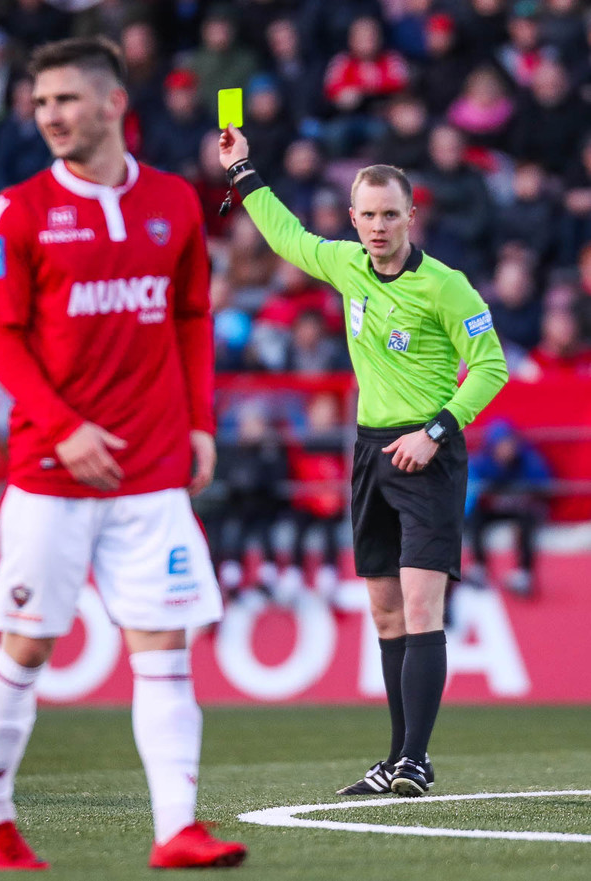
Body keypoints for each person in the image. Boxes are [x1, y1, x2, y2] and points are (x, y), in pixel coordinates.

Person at [0, 37, 247, 871]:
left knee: (165, 648)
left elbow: (191, 316)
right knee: (27, 648)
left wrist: (200, 422)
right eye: (40, 102)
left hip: (153, 472)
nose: (49, 115)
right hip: (51, 476)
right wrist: (65, 427)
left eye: (65, 99)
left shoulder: (175, 200)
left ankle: (177, 829)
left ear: (113, 103)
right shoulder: (15, 211)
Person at [218, 125, 508, 797]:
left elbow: (491, 367)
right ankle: (396, 757)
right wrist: (241, 171)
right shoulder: (347, 265)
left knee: (421, 605)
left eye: (390, 215)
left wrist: (437, 430)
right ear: (353, 218)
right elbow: (286, 236)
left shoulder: (447, 287)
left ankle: (415, 760)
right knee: (385, 612)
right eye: (368, 215)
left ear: (411, 216)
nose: (379, 227)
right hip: (371, 452)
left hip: (428, 454)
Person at [463, 418, 550, 597]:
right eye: (501, 444)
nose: (506, 449)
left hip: (520, 509)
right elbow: (471, 491)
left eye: (509, 443)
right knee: (475, 518)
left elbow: (543, 486)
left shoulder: (530, 461)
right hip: (492, 510)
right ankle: (479, 567)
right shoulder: (481, 463)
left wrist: (524, 495)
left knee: (528, 520)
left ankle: (524, 573)